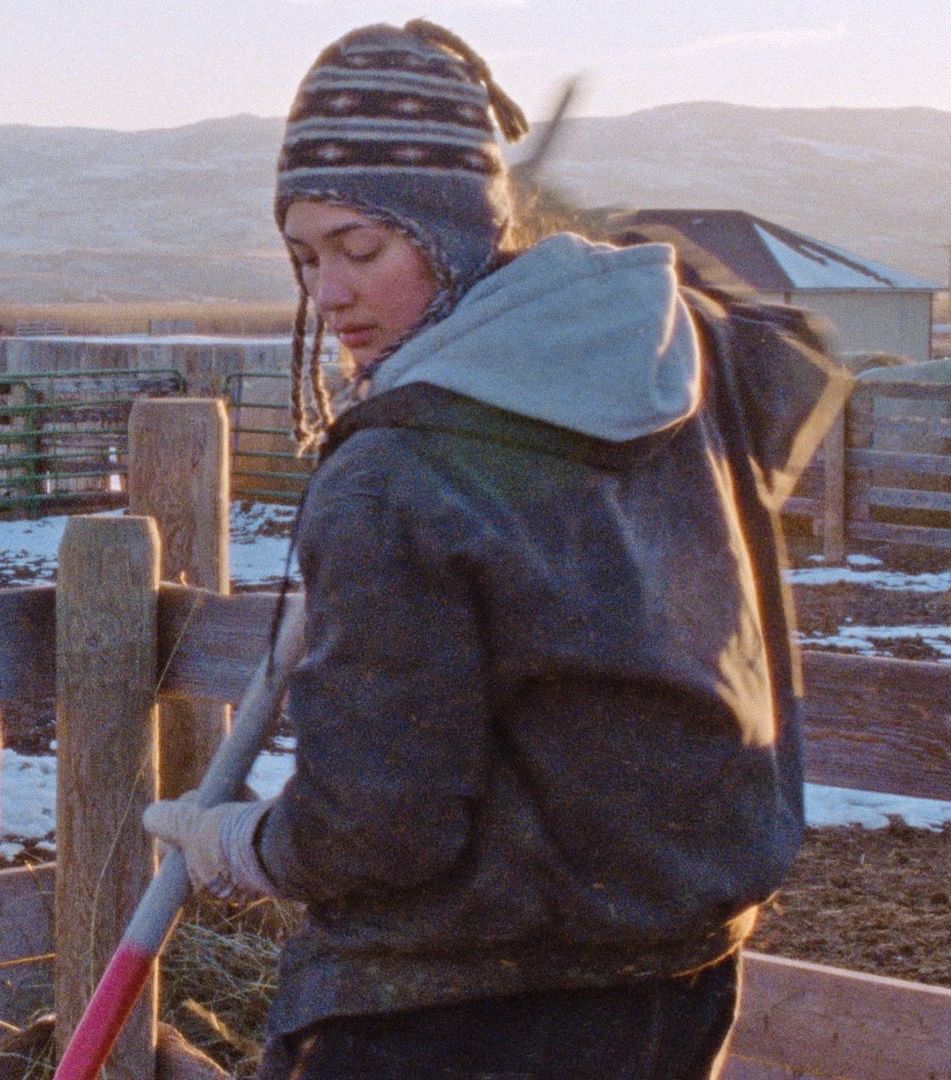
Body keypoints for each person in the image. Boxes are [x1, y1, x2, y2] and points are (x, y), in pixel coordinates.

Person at [141, 19, 851, 1079]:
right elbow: (798, 357)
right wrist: (570, 258)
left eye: (361, 247)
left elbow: (377, 830)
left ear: (459, 232)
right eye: (305, 257)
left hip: (451, 1007)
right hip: (673, 978)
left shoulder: (395, 477)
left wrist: (241, 845)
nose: (327, 294)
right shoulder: (678, 360)